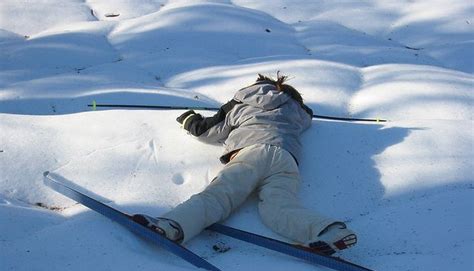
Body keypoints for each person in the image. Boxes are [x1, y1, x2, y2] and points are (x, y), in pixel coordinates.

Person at [133, 73, 357, 255]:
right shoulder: (296, 111)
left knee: (217, 198)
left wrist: (189, 120)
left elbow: (209, 132)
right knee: (279, 208)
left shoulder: (239, 104)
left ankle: (172, 226)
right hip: (286, 159)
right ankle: (328, 231)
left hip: (251, 152)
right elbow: (308, 115)